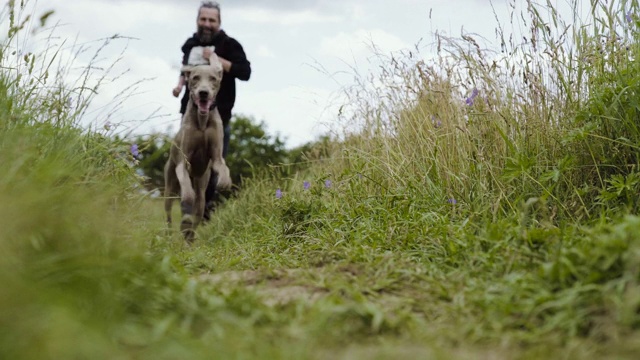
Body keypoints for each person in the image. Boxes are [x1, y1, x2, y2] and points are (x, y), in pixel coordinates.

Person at [172, 1, 251, 220]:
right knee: (184, 164)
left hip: (220, 117)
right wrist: (179, 86)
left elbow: (245, 72)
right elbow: (184, 68)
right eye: (203, 19)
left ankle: (204, 213)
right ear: (198, 20)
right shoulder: (190, 44)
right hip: (190, 116)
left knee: (213, 169)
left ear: (219, 22)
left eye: (211, 20)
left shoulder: (230, 45)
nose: (206, 24)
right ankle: (187, 211)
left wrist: (217, 62)